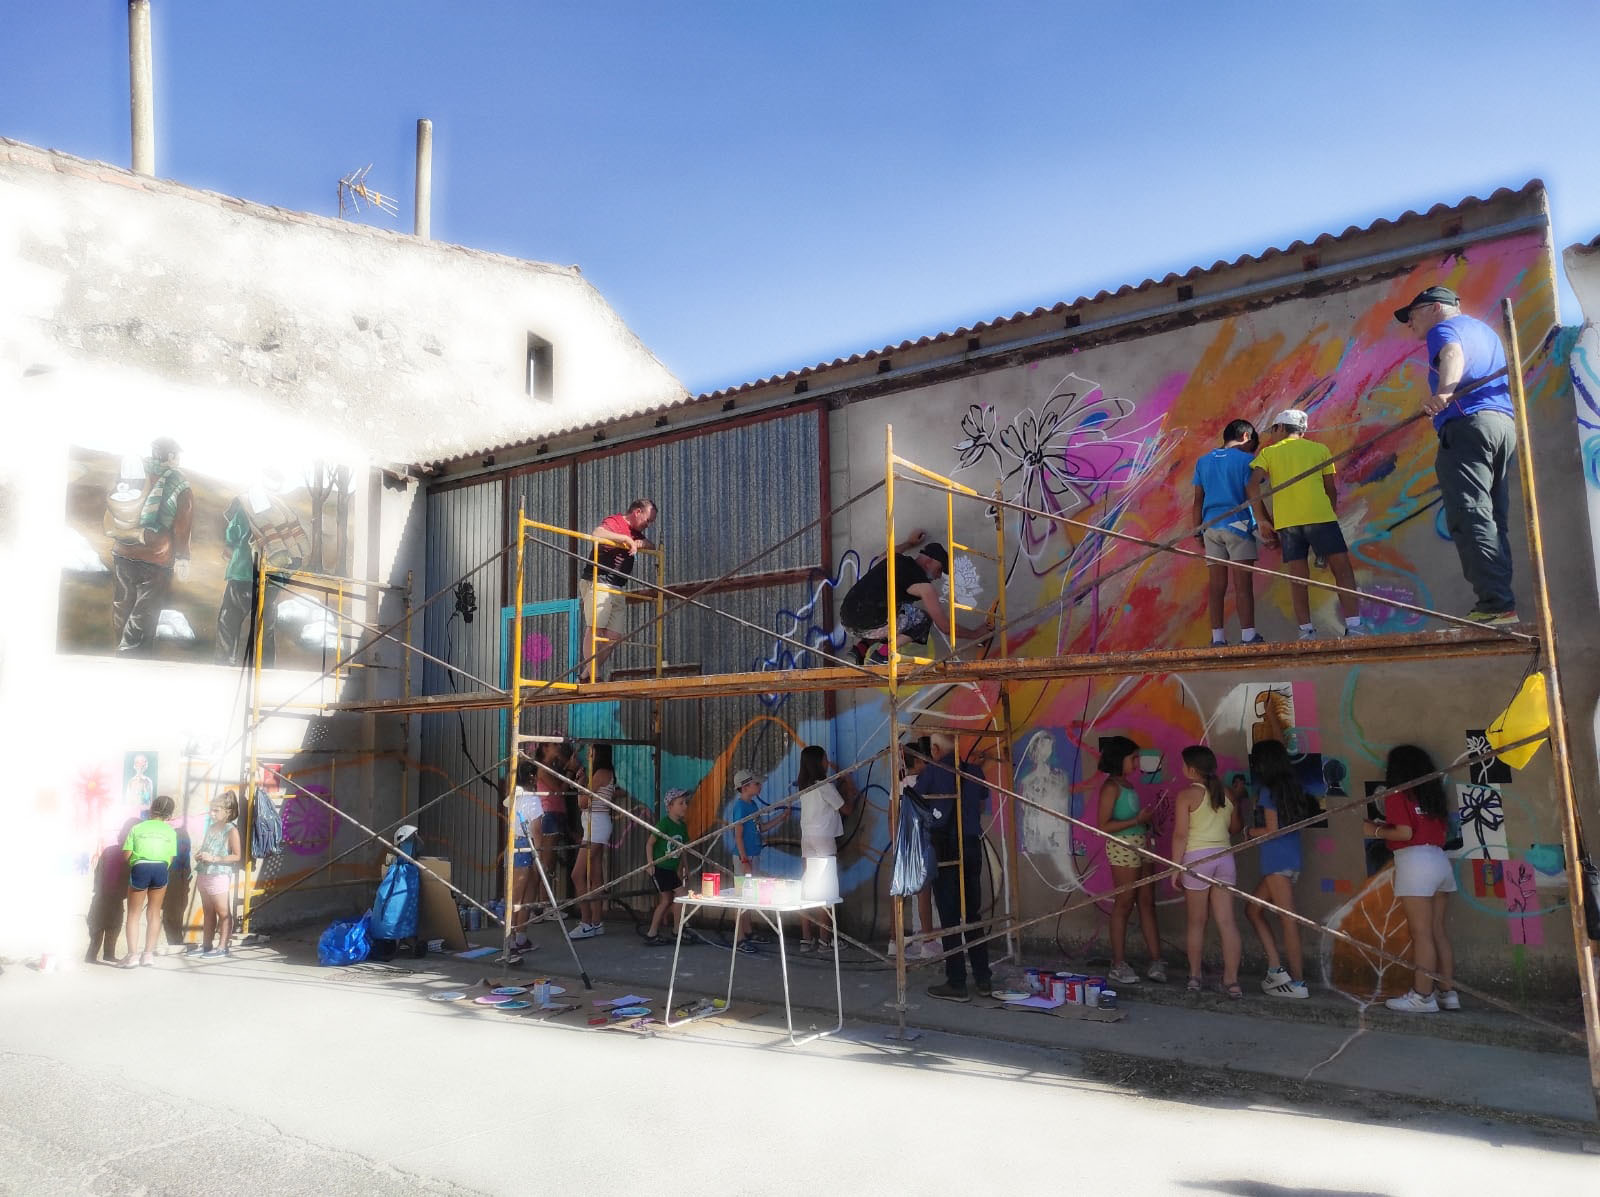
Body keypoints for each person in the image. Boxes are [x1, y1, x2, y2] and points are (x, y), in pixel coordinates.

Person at [1394, 285, 1518, 624]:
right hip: (1501, 426)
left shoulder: (1444, 328)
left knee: (1469, 514)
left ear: (1436, 308)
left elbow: (1452, 354)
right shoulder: (1486, 333)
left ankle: (1495, 605)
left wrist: (1445, 391)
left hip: (1467, 425)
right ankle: (1501, 601)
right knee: (1492, 518)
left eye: (1412, 315)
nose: (1410, 323)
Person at [1248, 409, 1366, 640]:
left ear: (1281, 428)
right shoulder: (1320, 449)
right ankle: (1355, 626)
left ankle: (1306, 630)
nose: (1271, 435)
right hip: (1321, 518)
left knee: (1298, 578)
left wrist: (1262, 519)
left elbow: (1252, 486)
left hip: (1288, 523)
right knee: (1342, 570)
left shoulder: (1269, 453)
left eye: (1273, 430)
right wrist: (1329, 512)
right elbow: (1330, 488)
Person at [1364, 744, 1460, 1013]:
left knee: (1421, 935)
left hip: (1415, 863)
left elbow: (1404, 833)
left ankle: (1422, 996)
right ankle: (1447, 993)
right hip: (1439, 861)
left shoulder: (1397, 793)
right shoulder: (1432, 793)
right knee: (1438, 931)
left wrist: (1375, 831)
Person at [838, 528, 989, 664]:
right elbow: (944, 627)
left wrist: (909, 543)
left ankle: (859, 650)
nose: (938, 577)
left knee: (892, 612)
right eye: (939, 570)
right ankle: (883, 655)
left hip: (846, 617)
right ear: (929, 562)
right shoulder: (923, 585)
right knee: (922, 619)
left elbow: (884, 555)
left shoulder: (895, 559)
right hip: (869, 622)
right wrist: (976, 634)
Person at [918, 734, 994, 1001]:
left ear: (935, 749)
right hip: (971, 844)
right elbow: (981, 801)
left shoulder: (931, 772)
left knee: (950, 916)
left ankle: (957, 982)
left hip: (946, 846)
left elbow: (918, 804)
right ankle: (983, 978)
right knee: (972, 914)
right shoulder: (975, 772)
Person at [107, 437, 193, 656]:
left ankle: (121, 650)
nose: (178, 459)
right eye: (177, 454)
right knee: (146, 610)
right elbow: (182, 525)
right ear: (171, 456)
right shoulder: (179, 482)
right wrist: (183, 557)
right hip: (156, 555)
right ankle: (132, 654)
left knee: (123, 603)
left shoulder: (133, 470)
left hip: (123, 549)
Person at [215, 471, 309, 666]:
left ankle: (225, 661)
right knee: (265, 626)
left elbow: (233, 533)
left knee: (229, 620)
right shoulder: (282, 510)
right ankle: (265, 667)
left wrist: (230, 544)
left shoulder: (246, 504)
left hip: (242, 573)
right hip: (272, 577)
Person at [1173, 745, 1244, 998]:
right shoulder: (1227, 793)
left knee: (1196, 922)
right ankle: (1232, 982)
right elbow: (1235, 828)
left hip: (1197, 860)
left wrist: (1175, 868)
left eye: (1184, 764)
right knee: (1227, 922)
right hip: (1225, 859)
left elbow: (1180, 835)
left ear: (1192, 770)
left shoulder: (1186, 796)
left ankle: (1195, 977)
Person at [1243, 740, 1312, 998]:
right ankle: (1276, 969)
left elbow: (1272, 830)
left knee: (1288, 920)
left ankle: (1298, 983)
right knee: (1252, 910)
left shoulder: (1268, 791)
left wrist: (1250, 832)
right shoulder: (1292, 787)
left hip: (1276, 861)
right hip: (1291, 859)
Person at [1096, 736, 1167, 987]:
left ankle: (1156, 960)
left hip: (1141, 844)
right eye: (1133, 758)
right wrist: (1137, 820)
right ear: (1119, 758)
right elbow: (1103, 826)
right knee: (1124, 903)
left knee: (1147, 902)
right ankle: (1118, 964)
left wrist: (1145, 822)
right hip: (1123, 848)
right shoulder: (1111, 787)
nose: (1136, 763)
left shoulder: (1127, 784)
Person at [1192, 418, 1265, 646]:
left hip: (1210, 527)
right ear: (1245, 437)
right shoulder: (1247, 460)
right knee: (1243, 585)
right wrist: (1265, 524)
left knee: (1216, 586)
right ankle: (1248, 636)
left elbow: (1197, 500)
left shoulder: (1203, 461)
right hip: (1238, 525)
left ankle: (1218, 639)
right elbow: (1253, 494)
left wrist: (1197, 531)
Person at [580, 499, 658, 679]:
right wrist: (625, 539)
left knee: (613, 637)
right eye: (648, 520)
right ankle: (594, 677)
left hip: (617, 585)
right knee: (595, 629)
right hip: (598, 580)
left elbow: (652, 546)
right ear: (637, 512)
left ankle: (586, 675)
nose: (648, 525)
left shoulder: (637, 533)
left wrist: (642, 543)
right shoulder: (615, 521)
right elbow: (597, 533)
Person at [120, 795, 178, 968]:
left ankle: (132, 956)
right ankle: (148, 955)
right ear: (170, 814)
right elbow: (170, 857)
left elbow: (126, 855)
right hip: (160, 868)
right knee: (154, 913)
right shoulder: (171, 831)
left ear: (152, 809)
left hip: (141, 867)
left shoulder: (137, 828)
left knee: (133, 914)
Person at [569, 745, 617, 941]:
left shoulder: (601, 773)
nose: (589, 755)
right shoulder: (603, 773)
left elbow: (582, 802)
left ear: (598, 754)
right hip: (595, 825)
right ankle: (597, 922)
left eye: (591, 751)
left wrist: (580, 783)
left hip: (595, 827)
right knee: (596, 876)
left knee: (577, 874)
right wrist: (581, 782)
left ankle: (586, 921)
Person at [194, 791, 243, 958]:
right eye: (211, 810)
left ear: (228, 811)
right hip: (204, 873)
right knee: (208, 911)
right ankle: (206, 945)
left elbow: (237, 856)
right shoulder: (211, 828)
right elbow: (205, 847)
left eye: (216, 810)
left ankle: (223, 946)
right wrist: (200, 855)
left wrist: (215, 858)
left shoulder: (231, 830)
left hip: (219, 875)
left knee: (223, 912)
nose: (212, 813)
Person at [643, 788, 691, 946]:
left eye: (685, 803)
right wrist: (650, 863)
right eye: (680, 803)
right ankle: (675, 930)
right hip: (661, 868)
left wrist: (685, 867)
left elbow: (682, 849)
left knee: (668, 900)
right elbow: (649, 844)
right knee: (678, 896)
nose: (685, 806)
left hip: (671, 869)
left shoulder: (682, 826)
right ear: (670, 806)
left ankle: (654, 933)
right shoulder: (664, 824)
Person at [506, 760, 542, 951]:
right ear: (532, 777)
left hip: (515, 842)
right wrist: (539, 855)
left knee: (524, 895)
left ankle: (520, 937)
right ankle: (511, 939)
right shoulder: (532, 799)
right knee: (519, 896)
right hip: (524, 844)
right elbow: (537, 830)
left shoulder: (514, 797)